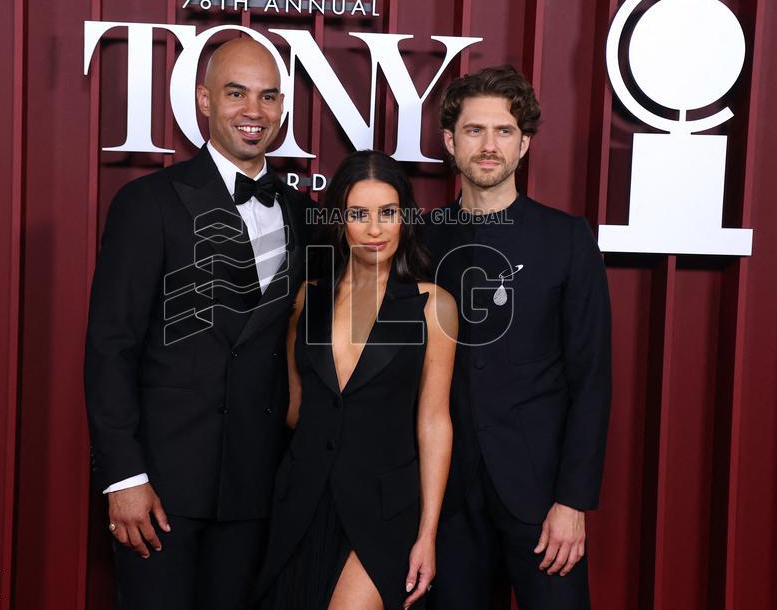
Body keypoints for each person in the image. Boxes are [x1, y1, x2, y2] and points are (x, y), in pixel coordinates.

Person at [84, 37, 317, 609]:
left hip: (255, 486)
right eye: (236, 93)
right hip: (159, 487)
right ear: (204, 101)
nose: (253, 111)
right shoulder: (147, 203)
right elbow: (110, 347)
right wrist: (124, 478)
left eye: (267, 96)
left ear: (282, 107)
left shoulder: (302, 214)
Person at [423, 65, 612, 610]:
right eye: (474, 130)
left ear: (524, 143)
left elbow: (591, 377)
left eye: (504, 131)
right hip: (446, 500)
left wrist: (572, 502)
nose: (488, 145)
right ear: (449, 142)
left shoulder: (567, 238)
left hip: (542, 499)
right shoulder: (420, 238)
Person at [255, 150, 458, 610]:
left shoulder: (433, 306)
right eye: (358, 214)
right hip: (302, 501)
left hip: (385, 511)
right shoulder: (309, 299)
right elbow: (295, 408)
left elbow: (434, 423)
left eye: (387, 213)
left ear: (404, 217)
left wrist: (427, 535)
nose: (373, 229)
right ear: (339, 220)